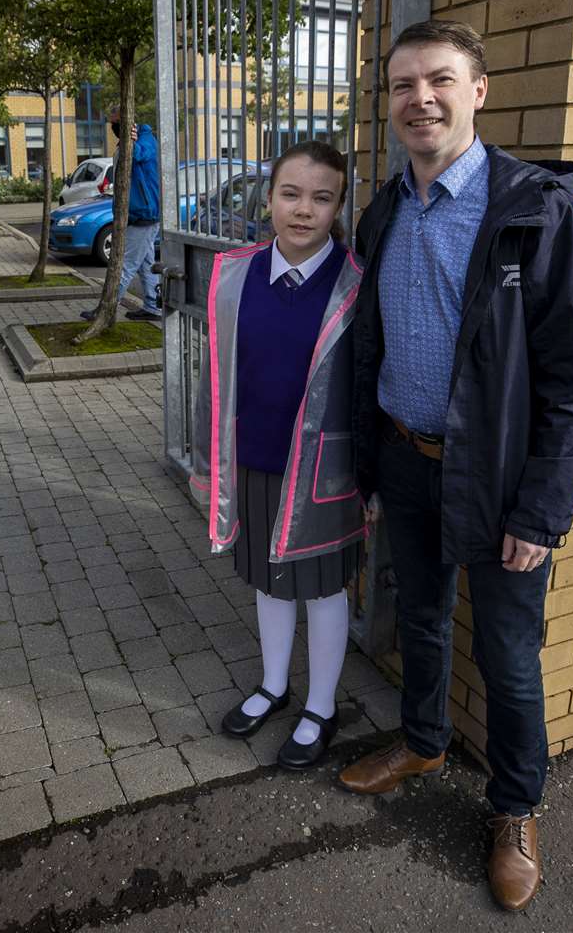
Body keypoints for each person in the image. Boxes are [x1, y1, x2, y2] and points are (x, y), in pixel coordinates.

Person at [338, 21, 573, 911]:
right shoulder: (385, 210)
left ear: (478, 90)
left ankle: (516, 807)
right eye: (404, 84)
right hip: (406, 462)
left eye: (440, 80)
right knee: (418, 618)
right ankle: (422, 741)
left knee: (506, 652)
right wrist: (369, 464)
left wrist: (541, 509)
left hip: (497, 484)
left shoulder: (538, 213)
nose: (421, 98)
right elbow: (367, 344)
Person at [190, 140, 368, 771]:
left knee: (322, 590)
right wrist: (209, 465)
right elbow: (215, 376)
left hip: (325, 474)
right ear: (267, 199)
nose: (303, 210)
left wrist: (370, 480)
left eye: (322, 198)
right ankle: (273, 685)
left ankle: (320, 706)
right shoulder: (234, 273)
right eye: (290, 194)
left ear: (338, 205)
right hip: (253, 460)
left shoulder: (355, 284)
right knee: (267, 580)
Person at [82, 106, 162, 322]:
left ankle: (105, 310)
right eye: (111, 123)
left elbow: (138, 155)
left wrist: (131, 141)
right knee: (146, 265)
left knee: (124, 265)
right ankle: (153, 307)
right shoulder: (127, 141)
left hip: (144, 213)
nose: (113, 127)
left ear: (128, 121)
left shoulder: (145, 138)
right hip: (137, 213)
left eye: (115, 122)